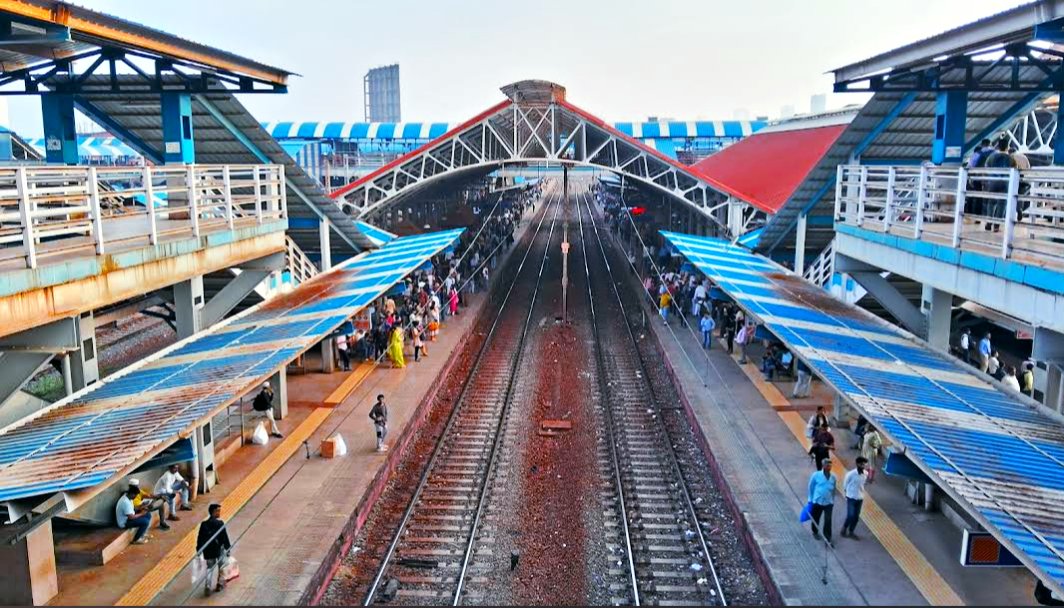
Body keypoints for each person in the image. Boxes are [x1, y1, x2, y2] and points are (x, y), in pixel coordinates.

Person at [196, 503, 232, 596]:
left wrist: (199, 550)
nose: (219, 512)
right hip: (218, 549)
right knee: (222, 566)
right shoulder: (220, 523)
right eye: (218, 511)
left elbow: (200, 538)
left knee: (209, 568)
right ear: (214, 512)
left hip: (208, 550)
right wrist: (228, 548)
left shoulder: (204, 524)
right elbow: (224, 537)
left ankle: (207, 586)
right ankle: (220, 584)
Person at [807, 459, 837, 546]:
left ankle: (827, 538)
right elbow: (811, 487)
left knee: (828, 520)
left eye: (830, 466)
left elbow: (834, 489)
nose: (829, 467)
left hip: (828, 503)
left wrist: (832, 500)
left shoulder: (833, 477)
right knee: (816, 518)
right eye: (827, 466)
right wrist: (810, 499)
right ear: (823, 466)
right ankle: (815, 531)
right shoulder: (816, 475)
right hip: (817, 501)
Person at [841, 457, 869, 540]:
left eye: (864, 464)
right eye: (861, 464)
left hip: (860, 497)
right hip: (851, 497)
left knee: (856, 517)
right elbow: (845, 484)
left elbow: (863, 484)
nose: (863, 466)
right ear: (857, 464)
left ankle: (851, 532)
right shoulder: (850, 474)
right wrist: (847, 493)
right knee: (850, 515)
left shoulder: (866, 474)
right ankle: (844, 529)